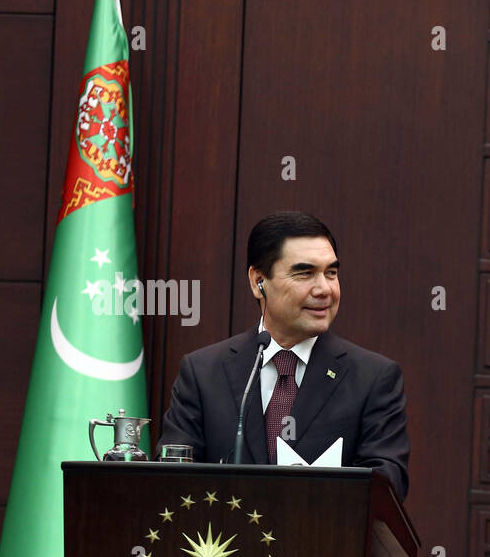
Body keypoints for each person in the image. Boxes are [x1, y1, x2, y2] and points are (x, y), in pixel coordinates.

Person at [158, 211, 409, 499]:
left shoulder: (373, 378)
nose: (324, 289)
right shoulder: (203, 373)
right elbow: (172, 481)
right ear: (258, 281)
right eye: (305, 273)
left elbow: (388, 488)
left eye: (331, 273)